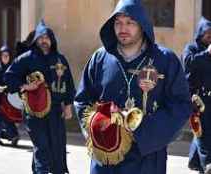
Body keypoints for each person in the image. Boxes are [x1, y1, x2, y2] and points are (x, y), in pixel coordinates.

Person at [74, 0, 192, 173]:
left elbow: (181, 106)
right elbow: (82, 100)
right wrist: (97, 129)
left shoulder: (165, 60)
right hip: (106, 157)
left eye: (130, 22)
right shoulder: (100, 58)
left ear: (142, 25)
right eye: (118, 23)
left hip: (147, 158)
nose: (123, 29)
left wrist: (143, 130)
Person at [4, 20, 76, 174]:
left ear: (52, 40)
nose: (44, 40)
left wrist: (68, 105)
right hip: (34, 112)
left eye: (47, 37)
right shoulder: (26, 58)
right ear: (36, 39)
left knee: (56, 146)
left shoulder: (60, 60)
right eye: (41, 37)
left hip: (56, 113)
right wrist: (24, 86)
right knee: (41, 146)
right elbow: (9, 76)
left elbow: (69, 83)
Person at [182, 17, 211, 174]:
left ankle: (196, 162)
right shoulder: (191, 48)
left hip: (210, 99)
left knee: (203, 131)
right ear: (200, 32)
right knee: (201, 131)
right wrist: (206, 54)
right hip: (196, 99)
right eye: (207, 33)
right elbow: (188, 64)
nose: (209, 36)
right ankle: (207, 164)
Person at [0, 45, 20, 146]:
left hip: (9, 98)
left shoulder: (12, 68)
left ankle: (12, 135)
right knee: (0, 118)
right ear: (1, 57)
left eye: (7, 56)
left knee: (9, 117)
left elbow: (16, 81)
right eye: (3, 56)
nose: (5, 58)